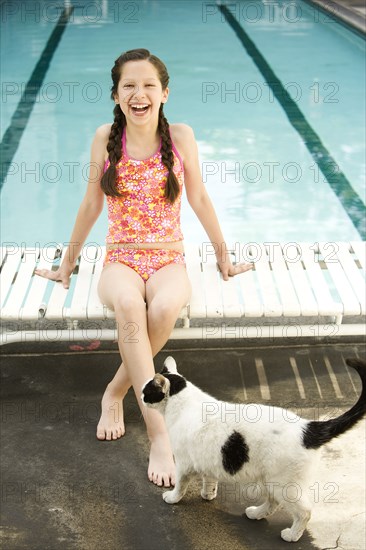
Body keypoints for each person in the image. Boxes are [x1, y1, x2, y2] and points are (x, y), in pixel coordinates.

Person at [35, 48, 253, 488]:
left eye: (149, 85)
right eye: (128, 86)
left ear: (165, 93)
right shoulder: (103, 137)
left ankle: (114, 392)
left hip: (169, 255)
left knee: (162, 311)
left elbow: (201, 200)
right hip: (121, 257)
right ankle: (159, 433)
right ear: (116, 96)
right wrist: (68, 263)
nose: (139, 93)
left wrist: (223, 255)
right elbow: (91, 204)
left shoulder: (182, 137)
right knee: (131, 310)